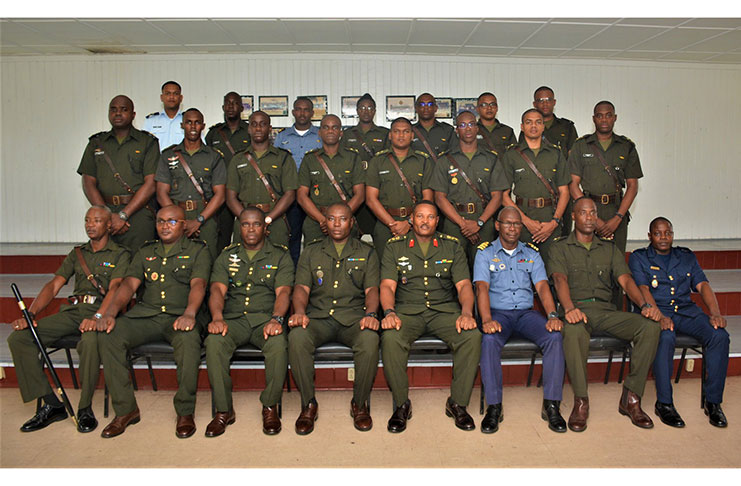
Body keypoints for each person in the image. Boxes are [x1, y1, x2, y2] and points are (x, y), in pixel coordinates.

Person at [7, 206, 130, 434]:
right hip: (72, 312)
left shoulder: (120, 254)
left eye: (96, 220)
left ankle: (84, 407)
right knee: (20, 338)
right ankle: (52, 405)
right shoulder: (77, 253)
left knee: (90, 343)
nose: (90, 225)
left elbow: (116, 289)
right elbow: (54, 285)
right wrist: (30, 314)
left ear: (109, 225)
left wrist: (98, 316)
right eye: (87, 220)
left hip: (99, 311)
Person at [96, 205, 211, 439]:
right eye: (160, 221)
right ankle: (126, 410)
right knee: (110, 334)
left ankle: (185, 412)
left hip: (180, 317)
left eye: (171, 221)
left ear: (183, 224)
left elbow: (198, 285)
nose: (164, 226)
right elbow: (129, 285)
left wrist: (189, 314)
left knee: (188, 341)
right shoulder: (145, 251)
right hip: (145, 316)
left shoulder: (198, 251)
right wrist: (110, 312)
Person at [548, 197, 662, 432]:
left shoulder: (609, 249)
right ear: (573, 216)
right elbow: (559, 279)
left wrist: (644, 305)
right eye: (583, 213)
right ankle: (581, 400)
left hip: (606, 311)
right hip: (577, 310)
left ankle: (631, 398)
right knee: (574, 330)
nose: (589, 218)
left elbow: (626, 280)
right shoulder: (559, 247)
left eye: (593, 213)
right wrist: (568, 309)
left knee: (650, 327)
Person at [379, 201, 481, 433]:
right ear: (411, 219)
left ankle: (458, 403)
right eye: (420, 216)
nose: (425, 221)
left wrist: (466, 313)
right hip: (408, 311)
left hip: (443, 310)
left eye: (431, 217)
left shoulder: (452, 246)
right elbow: (386, 286)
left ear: (438, 221)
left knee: (471, 335)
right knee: (391, 338)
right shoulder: (395, 246)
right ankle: (401, 404)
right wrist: (389, 312)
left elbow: (464, 285)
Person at [288, 203, 380, 434]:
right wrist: (299, 311)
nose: (337, 224)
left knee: (369, 340)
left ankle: (359, 404)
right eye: (331, 219)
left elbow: (372, 291)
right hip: (318, 317)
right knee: (297, 336)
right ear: (324, 222)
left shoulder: (367, 252)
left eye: (342, 219)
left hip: (353, 318)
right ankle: (308, 404)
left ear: (352, 222)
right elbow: (301, 288)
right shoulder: (311, 251)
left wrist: (370, 314)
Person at [628, 217, 729, 428]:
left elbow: (702, 285)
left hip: (686, 311)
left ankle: (713, 402)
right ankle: (664, 404)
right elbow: (643, 290)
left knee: (719, 335)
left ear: (672, 235)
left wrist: (716, 313)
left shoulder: (686, 256)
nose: (664, 238)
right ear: (649, 236)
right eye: (658, 233)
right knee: (664, 336)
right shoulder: (639, 258)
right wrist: (659, 316)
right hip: (658, 311)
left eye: (668, 233)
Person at [473, 206, 566, 434]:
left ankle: (552, 405)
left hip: (525, 314)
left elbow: (542, 286)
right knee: (489, 340)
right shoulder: (485, 253)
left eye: (517, 224)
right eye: (507, 223)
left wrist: (553, 315)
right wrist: (486, 320)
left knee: (554, 336)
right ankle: (494, 407)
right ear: (497, 225)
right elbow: (481, 288)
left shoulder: (532, 253)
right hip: (498, 314)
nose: (512, 228)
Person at [204, 207, 293, 436]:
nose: (251, 229)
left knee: (277, 344)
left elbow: (284, 292)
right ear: (239, 227)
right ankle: (224, 410)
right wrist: (217, 318)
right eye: (245, 224)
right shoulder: (227, 255)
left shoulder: (280, 255)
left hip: (265, 319)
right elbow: (216, 290)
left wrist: (276, 319)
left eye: (256, 224)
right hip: (234, 319)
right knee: (214, 342)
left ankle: (270, 406)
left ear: (266, 228)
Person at [77, 95, 159, 252]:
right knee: (106, 265)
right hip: (105, 213)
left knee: (138, 265)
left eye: (124, 109)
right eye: (113, 110)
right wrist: (105, 214)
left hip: (138, 213)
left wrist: (123, 215)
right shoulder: (96, 142)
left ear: (133, 114)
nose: (118, 113)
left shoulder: (147, 142)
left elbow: (151, 183)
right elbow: (88, 181)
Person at [492, 109, 569, 261]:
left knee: (551, 268)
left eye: (538, 122)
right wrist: (526, 221)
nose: (533, 126)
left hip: (550, 218)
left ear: (543, 126)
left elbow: (565, 192)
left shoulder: (556, 153)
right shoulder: (511, 154)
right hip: (521, 219)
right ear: (522, 127)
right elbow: (503, 196)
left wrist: (554, 223)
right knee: (521, 267)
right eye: (529, 122)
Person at [568, 100, 641, 255]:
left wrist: (618, 218)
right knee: (584, 258)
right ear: (594, 119)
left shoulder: (626, 146)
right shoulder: (581, 145)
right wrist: (593, 218)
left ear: (615, 117)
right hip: (587, 210)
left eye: (608, 115)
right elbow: (573, 185)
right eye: (600, 116)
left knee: (616, 260)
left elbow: (633, 186)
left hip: (616, 211)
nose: (604, 119)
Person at [431, 110, 502, 265]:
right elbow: (439, 198)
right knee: (453, 271)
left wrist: (479, 223)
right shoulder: (445, 160)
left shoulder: (491, 158)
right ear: (457, 130)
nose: (468, 128)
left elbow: (497, 196)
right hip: (454, 223)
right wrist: (463, 224)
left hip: (484, 220)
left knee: (485, 272)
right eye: (462, 125)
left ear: (477, 128)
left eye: (471, 124)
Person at [156, 108, 226, 260]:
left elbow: (220, 195)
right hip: (174, 216)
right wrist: (176, 219)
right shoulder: (168, 155)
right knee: (174, 261)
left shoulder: (214, 156)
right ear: (182, 125)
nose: (193, 127)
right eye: (188, 122)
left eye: (197, 123)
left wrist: (198, 220)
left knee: (206, 261)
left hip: (205, 216)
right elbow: (161, 192)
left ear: (203, 126)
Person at [226, 111, 298, 250]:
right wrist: (247, 221)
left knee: (278, 264)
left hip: (275, 220)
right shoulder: (238, 159)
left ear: (269, 129)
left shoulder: (283, 158)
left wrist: (267, 219)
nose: (258, 128)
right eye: (254, 124)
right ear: (249, 128)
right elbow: (230, 197)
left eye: (263, 124)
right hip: (244, 220)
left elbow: (290, 194)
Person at [365, 117, 434, 259]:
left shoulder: (424, 161)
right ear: (390, 135)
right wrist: (392, 224)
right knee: (385, 269)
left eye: (405, 131)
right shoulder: (378, 161)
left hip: (417, 224)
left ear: (412, 135)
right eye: (396, 131)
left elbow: (428, 198)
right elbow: (371, 199)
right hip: (385, 225)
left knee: (417, 267)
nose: (401, 135)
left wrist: (409, 222)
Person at [297, 114, 364, 243]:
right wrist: (323, 220)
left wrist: (339, 219)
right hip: (316, 222)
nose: (330, 131)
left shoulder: (353, 157)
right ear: (320, 132)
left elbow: (360, 195)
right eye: (326, 127)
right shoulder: (309, 159)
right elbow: (301, 196)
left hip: (345, 223)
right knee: (314, 261)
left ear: (341, 133)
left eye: (335, 127)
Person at [274, 97, 323, 265]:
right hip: (290, 198)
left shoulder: (321, 135)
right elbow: (275, 165)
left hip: (314, 197)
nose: (302, 113)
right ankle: (292, 277)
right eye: (299, 109)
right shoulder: (282, 137)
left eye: (306, 109)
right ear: (293, 112)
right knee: (291, 238)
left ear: (312, 113)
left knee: (315, 240)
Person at [523, 86, 578, 237]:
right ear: (534, 103)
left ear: (554, 102)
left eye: (548, 100)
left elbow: (573, 161)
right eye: (540, 100)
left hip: (561, 190)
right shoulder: (529, 129)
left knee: (562, 236)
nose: (545, 104)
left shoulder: (567, 127)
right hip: (535, 192)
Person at [205, 91, 252, 255]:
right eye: (227, 103)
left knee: (247, 235)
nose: (231, 106)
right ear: (223, 107)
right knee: (221, 237)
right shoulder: (214, 133)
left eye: (234, 103)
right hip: (221, 193)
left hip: (245, 190)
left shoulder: (250, 130)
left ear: (241, 107)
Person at [340, 93, 389, 237]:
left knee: (380, 234)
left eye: (369, 108)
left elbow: (387, 161)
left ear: (374, 111)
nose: (366, 111)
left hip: (377, 190)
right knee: (352, 235)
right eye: (362, 107)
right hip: (354, 191)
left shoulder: (384, 133)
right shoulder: (347, 134)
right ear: (357, 111)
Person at [411, 93, 458, 163]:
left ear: (435, 108)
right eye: (422, 105)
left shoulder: (447, 130)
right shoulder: (409, 131)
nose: (426, 108)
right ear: (416, 109)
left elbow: (455, 155)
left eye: (430, 104)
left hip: (442, 172)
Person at [143, 81, 185, 151]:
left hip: (182, 161)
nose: (171, 97)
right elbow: (143, 145)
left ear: (181, 98)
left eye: (175, 94)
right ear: (161, 97)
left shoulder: (188, 121)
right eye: (168, 93)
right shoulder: (151, 121)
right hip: (157, 161)